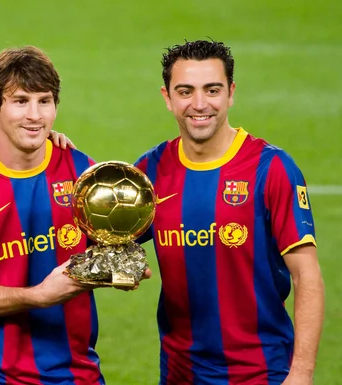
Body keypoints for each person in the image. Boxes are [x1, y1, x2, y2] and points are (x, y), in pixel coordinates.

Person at [134, 40, 325, 384]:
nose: (199, 104)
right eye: (185, 91)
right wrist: (52, 147)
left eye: (212, 89)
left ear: (231, 93)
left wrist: (301, 373)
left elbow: (306, 276)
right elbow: (101, 238)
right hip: (180, 373)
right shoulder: (151, 169)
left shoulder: (271, 168)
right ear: (167, 97)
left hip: (260, 372)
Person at [0, 46, 116, 385]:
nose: (35, 115)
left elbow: (110, 244)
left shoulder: (80, 170)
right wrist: (39, 295)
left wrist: (120, 265)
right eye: (21, 101)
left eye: (44, 101)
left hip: (78, 375)